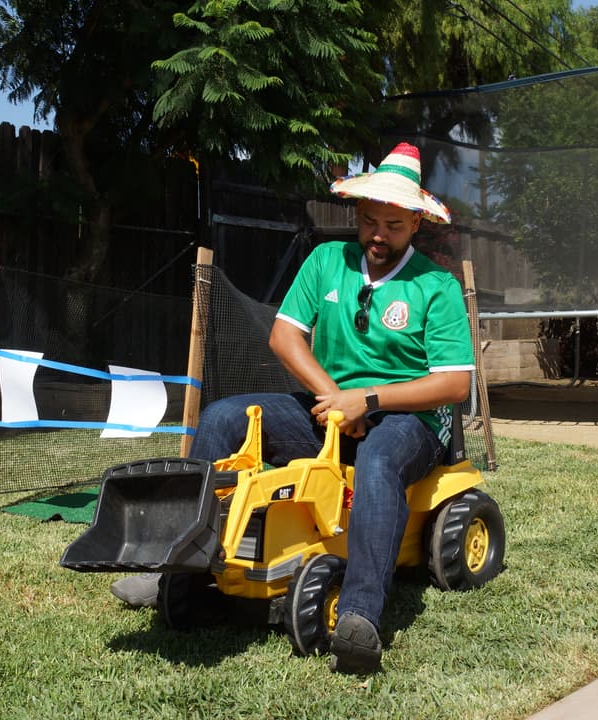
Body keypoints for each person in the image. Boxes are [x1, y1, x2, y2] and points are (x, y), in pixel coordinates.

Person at [110, 142, 474, 675]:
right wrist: (335, 398)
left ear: (416, 222)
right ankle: (181, 574)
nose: (377, 235)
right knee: (222, 417)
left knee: (377, 460)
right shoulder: (327, 261)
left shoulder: (435, 286)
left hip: (408, 420)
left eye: (393, 225)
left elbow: (453, 384)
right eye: (369, 220)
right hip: (328, 405)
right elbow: (284, 337)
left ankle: (359, 616)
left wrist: (366, 400)